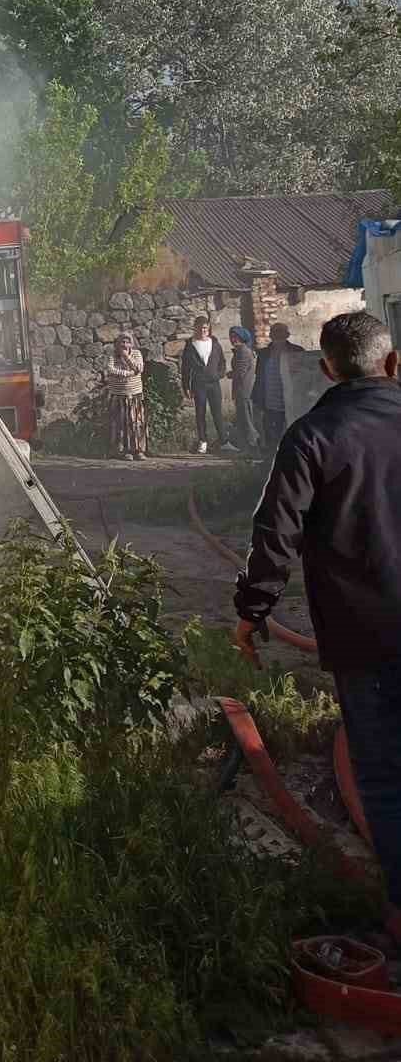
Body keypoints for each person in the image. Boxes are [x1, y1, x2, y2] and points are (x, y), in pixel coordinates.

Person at [234, 311, 401, 943]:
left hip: (364, 636)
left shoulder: (312, 436)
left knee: (383, 775)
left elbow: (276, 533)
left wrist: (253, 611)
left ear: (328, 369)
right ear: (392, 363)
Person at [180, 316, 234, 454]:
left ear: (208, 328)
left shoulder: (214, 343)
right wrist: (186, 386)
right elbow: (185, 368)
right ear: (195, 328)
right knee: (200, 413)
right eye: (200, 328)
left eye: (205, 328)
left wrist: (219, 375)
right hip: (198, 384)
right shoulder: (190, 345)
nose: (202, 330)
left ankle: (224, 442)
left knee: (217, 413)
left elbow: (222, 362)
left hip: (214, 383)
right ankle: (203, 441)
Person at [251, 321, 305, 453]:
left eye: (281, 335)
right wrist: (257, 398)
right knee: (271, 434)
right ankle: (271, 461)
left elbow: (303, 376)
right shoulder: (264, 354)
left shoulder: (296, 351)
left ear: (287, 336)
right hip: (271, 401)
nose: (279, 339)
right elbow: (259, 377)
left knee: (292, 433)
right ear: (271, 336)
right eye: (276, 335)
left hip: (290, 401)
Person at [104, 332, 147, 460]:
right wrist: (128, 374)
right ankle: (124, 451)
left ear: (131, 344)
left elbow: (139, 368)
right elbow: (110, 370)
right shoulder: (112, 356)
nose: (124, 344)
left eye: (127, 342)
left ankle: (138, 450)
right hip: (119, 395)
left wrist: (126, 356)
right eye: (122, 342)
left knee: (135, 422)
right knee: (121, 424)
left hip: (134, 395)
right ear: (117, 344)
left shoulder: (137, 354)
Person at [227, 325, 258, 451]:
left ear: (242, 337)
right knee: (242, 419)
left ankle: (254, 446)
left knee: (246, 420)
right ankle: (245, 446)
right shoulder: (241, 350)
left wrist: (230, 374)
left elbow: (240, 372)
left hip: (244, 391)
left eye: (235, 337)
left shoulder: (243, 351)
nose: (233, 339)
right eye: (231, 337)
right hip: (241, 390)